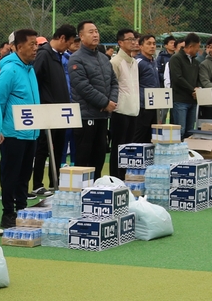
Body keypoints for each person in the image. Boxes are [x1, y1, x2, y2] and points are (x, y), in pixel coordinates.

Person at [0, 29, 42, 229]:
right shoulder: (10, 70)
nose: (35, 48)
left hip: (31, 132)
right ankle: (8, 213)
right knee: (10, 174)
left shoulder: (30, 69)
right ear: (18, 47)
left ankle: (22, 210)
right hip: (12, 133)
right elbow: (0, 101)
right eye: (31, 44)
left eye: (36, 44)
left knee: (24, 174)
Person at [69, 21, 118, 178]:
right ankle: (81, 192)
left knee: (100, 154)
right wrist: (104, 103)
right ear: (81, 36)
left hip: (102, 116)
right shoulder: (76, 59)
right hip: (86, 116)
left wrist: (111, 102)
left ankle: (96, 188)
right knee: (84, 156)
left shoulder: (104, 58)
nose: (95, 34)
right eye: (91, 32)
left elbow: (114, 83)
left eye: (96, 31)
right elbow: (83, 87)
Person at [32, 24, 76, 194]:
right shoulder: (44, 54)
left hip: (60, 111)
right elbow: (36, 79)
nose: (69, 47)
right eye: (68, 42)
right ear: (62, 38)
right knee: (43, 147)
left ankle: (54, 181)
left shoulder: (59, 56)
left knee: (58, 147)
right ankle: (37, 184)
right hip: (47, 110)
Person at [107, 29, 141, 181]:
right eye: (130, 40)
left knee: (128, 147)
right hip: (120, 111)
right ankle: (115, 177)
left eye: (135, 39)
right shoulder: (115, 62)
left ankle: (124, 176)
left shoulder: (134, 62)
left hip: (133, 110)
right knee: (118, 147)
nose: (134, 42)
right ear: (120, 43)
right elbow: (112, 86)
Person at [167, 33, 201, 138]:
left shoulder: (195, 61)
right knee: (179, 131)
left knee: (190, 131)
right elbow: (177, 78)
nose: (198, 50)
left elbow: (197, 78)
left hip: (192, 100)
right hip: (180, 100)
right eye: (197, 47)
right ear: (190, 46)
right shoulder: (176, 58)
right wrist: (192, 89)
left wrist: (198, 90)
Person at [134, 33, 161, 143]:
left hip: (153, 105)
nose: (152, 46)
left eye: (154, 44)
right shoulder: (138, 62)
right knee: (139, 136)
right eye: (148, 44)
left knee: (151, 138)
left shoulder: (153, 62)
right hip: (142, 107)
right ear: (140, 46)